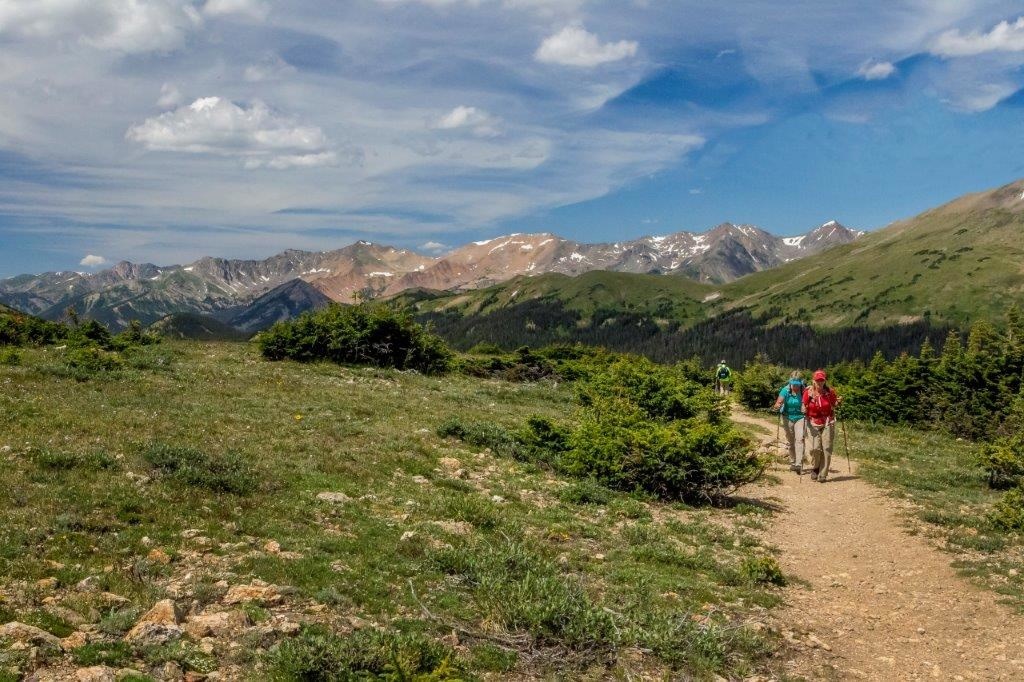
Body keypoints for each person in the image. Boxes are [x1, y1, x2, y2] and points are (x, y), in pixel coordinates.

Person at [802, 369, 842, 482]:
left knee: (827, 448)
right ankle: (815, 467)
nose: (820, 382)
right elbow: (803, 404)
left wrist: (838, 402)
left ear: (824, 381)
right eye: (817, 380)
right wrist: (803, 409)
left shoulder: (829, 392)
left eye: (822, 380)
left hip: (828, 421)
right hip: (813, 422)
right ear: (813, 380)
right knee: (815, 448)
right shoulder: (808, 392)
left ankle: (823, 474)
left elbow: (834, 404)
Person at [773, 372, 805, 472]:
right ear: (790, 382)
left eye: (797, 384)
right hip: (787, 417)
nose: (795, 386)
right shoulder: (785, 390)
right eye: (793, 384)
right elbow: (778, 402)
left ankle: (799, 464)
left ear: (801, 382)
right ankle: (792, 462)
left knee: (799, 440)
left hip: (800, 417)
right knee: (791, 442)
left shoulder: (804, 390)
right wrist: (777, 405)